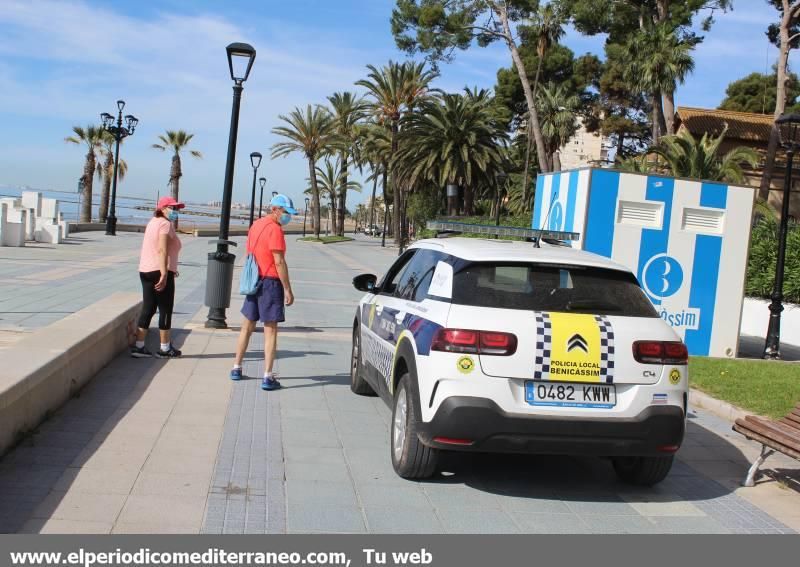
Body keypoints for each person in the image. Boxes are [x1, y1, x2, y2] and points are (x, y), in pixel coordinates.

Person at [231, 194, 296, 390]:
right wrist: (287, 289)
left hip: (254, 281)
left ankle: (236, 367)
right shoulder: (275, 230)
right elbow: (279, 261)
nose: (288, 217)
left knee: (247, 326)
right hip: (270, 283)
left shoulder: (256, 225)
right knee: (270, 330)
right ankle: (267, 376)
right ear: (275, 209)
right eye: (285, 213)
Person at [130, 196, 184, 359]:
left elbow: (156, 248)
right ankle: (165, 348)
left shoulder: (153, 222)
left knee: (149, 308)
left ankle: (139, 347)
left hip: (145, 270)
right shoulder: (165, 224)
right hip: (158, 271)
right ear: (162, 208)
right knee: (165, 310)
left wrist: (172, 267)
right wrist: (164, 272)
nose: (175, 211)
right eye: (172, 208)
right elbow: (161, 249)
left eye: (177, 209)